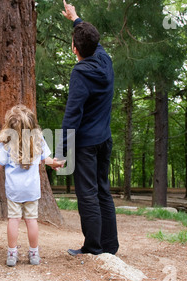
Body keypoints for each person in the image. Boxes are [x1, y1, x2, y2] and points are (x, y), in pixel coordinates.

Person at [59, 1, 119, 256]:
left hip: (86, 145)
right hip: (104, 139)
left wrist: (62, 153)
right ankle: (110, 246)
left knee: (88, 195)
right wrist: (75, 18)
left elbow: (72, 115)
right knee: (103, 192)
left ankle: (93, 247)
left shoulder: (81, 72)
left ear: (75, 49)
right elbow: (90, 37)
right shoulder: (104, 59)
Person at [0, 105, 64, 267]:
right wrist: (55, 164)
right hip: (32, 190)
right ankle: (34, 253)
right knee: (31, 220)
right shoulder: (38, 141)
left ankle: (12, 253)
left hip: (14, 190)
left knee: (14, 220)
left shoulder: (6, 144)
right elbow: (46, 159)